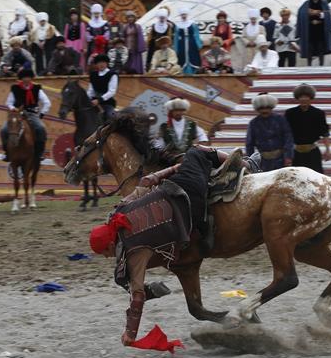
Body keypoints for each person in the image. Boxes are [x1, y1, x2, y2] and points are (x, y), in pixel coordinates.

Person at [88, 145, 245, 346]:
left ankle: (247, 166)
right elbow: (146, 181)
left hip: (190, 207)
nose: (106, 257)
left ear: (110, 246)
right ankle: (247, 163)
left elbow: (137, 296)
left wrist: (130, 333)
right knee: (195, 151)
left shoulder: (132, 252)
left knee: (195, 154)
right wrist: (175, 169)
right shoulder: (121, 209)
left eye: (104, 253)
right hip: (179, 186)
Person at [0, 68, 50, 162]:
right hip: (18, 115)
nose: (26, 79)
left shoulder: (36, 88)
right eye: (24, 77)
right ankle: (6, 152)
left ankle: (40, 152)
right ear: (21, 79)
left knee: (41, 128)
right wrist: (13, 108)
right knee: (3, 130)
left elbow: (47, 102)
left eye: (28, 77)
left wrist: (42, 113)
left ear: (31, 78)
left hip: (31, 114)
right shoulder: (15, 88)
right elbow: (9, 102)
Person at [285, 83, 330, 173]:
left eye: (306, 96)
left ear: (311, 98)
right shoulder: (290, 113)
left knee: (316, 177)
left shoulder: (319, 113)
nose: (304, 99)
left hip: (312, 152)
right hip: (296, 153)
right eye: (301, 96)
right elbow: (286, 134)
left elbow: (325, 132)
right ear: (297, 98)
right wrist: (286, 154)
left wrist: (327, 150)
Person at [152, 98, 209, 164]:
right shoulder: (164, 126)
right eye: (176, 110)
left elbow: (203, 137)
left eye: (180, 110)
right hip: (169, 161)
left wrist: (198, 150)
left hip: (189, 159)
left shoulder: (192, 124)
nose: (178, 112)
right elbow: (159, 145)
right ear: (171, 111)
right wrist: (165, 153)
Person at [246, 92, 293, 171]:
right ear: (257, 109)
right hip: (263, 162)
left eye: (267, 108)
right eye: (261, 108)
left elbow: (288, 138)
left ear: (271, 107)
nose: (265, 110)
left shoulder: (280, 120)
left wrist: (288, 157)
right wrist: (251, 162)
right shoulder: (253, 123)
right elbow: (249, 144)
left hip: (281, 160)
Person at [297, 0, 331, 66]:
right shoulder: (306, 4)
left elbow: (327, 14)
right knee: (310, 47)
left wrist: (318, 13)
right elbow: (301, 13)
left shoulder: (324, 3)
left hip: (320, 28)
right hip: (310, 29)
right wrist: (308, 13)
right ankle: (309, 65)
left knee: (321, 47)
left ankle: (321, 65)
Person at [88, 53, 119, 121]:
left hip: (107, 103)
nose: (101, 64)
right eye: (99, 62)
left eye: (103, 62)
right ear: (96, 64)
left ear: (107, 63)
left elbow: (112, 91)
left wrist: (99, 100)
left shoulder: (112, 74)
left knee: (110, 116)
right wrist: (88, 99)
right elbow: (91, 91)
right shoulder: (93, 75)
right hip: (94, 102)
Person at [174, 8, 202, 74]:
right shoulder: (178, 25)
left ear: (187, 15)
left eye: (185, 14)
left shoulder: (192, 24)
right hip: (182, 43)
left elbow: (196, 34)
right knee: (182, 57)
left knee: (193, 56)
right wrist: (176, 48)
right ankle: (184, 72)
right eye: (182, 15)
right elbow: (176, 37)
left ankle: (193, 72)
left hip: (191, 43)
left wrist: (198, 44)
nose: (183, 16)